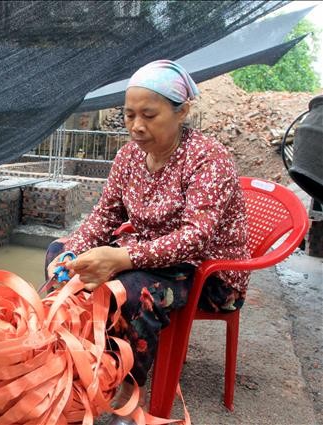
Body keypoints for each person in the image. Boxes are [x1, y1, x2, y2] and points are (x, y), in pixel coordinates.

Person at [45, 60, 249, 424]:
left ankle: (128, 391)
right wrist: (74, 251)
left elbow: (195, 238)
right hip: (150, 255)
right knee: (58, 250)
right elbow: (105, 216)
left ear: (182, 111)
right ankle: (76, 356)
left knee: (131, 290)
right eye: (129, 115)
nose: (136, 127)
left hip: (208, 273)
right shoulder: (128, 157)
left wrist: (123, 257)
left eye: (149, 115)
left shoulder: (208, 159)